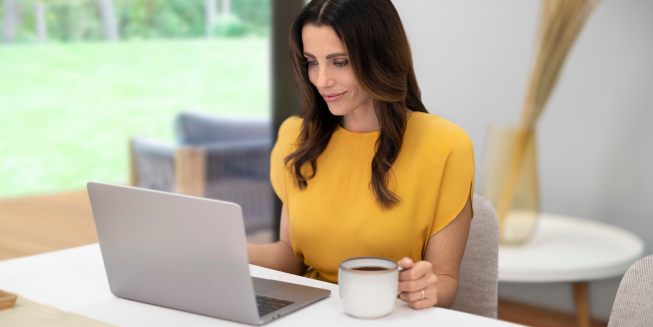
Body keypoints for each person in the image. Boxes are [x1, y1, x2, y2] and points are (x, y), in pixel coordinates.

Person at [247, 0, 474, 310]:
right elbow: (291, 256)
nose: (321, 80)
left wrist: (424, 288)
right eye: (311, 61)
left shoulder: (446, 145)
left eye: (339, 62)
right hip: (309, 313)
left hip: (388, 314)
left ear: (380, 57)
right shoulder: (296, 138)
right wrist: (226, 248)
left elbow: (445, 280)